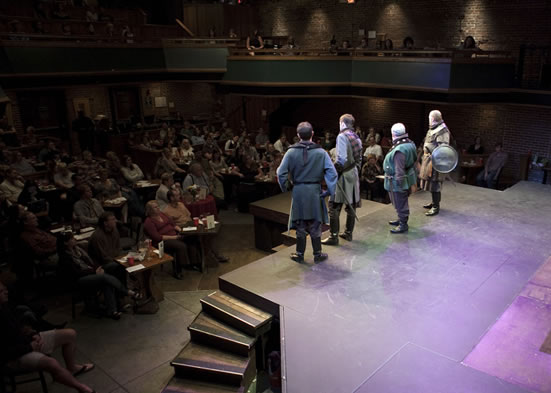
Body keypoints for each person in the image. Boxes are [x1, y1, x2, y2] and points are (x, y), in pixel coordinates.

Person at [0, 281, 96, 393]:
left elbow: (20, 326)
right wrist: (30, 348)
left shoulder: (4, 306)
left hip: (28, 342)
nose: (6, 292)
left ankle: (72, 368)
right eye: (1, 291)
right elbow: (3, 353)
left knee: (70, 334)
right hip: (15, 356)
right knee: (52, 363)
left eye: (5, 289)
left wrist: (32, 334)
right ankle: (81, 388)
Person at [277, 122, 337, 263]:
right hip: (315, 192)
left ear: (298, 135)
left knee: (300, 223)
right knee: (315, 223)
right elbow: (332, 173)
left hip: (299, 191)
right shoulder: (321, 152)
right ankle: (317, 254)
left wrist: (286, 187)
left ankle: (300, 254)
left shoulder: (291, 152)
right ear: (312, 134)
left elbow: (280, 173)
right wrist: (329, 190)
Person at [58, 232, 141, 319]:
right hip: (80, 279)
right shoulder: (65, 258)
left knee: (116, 266)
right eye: (71, 239)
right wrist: (94, 272)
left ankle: (113, 310)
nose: (74, 239)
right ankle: (129, 292)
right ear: (65, 243)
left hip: (92, 270)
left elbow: (92, 260)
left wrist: (98, 268)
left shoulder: (78, 249)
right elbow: (76, 273)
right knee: (104, 278)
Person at [322, 114, 362, 245]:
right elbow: (359, 159)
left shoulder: (342, 136)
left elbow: (341, 159)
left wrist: (333, 173)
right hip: (353, 173)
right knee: (351, 205)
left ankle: (334, 236)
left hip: (343, 175)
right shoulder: (356, 136)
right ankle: (348, 233)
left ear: (343, 124)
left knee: (334, 205)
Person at [144, 200, 192, 279]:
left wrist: (181, 231)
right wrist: (175, 237)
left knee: (191, 238)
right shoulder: (148, 222)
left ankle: (193, 263)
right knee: (180, 246)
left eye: (158, 206)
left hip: (174, 235)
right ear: (150, 210)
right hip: (161, 242)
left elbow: (173, 224)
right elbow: (157, 237)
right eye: (155, 207)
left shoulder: (162, 214)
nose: (158, 208)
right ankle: (178, 270)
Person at [383, 123, 417, 233]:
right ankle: (400, 219)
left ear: (393, 134)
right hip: (404, 177)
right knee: (399, 202)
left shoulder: (400, 149)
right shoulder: (410, 143)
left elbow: (399, 169)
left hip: (398, 180)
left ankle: (403, 224)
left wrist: (399, 183)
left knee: (400, 202)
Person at [419, 110, 451, 216]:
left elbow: (443, 149)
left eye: (430, 118)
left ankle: (436, 206)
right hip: (429, 160)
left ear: (433, 118)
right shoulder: (433, 128)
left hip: (436, 162)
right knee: (431, 183)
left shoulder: (442, 131)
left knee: (435, 183)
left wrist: (433, 156)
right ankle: (433, 203)